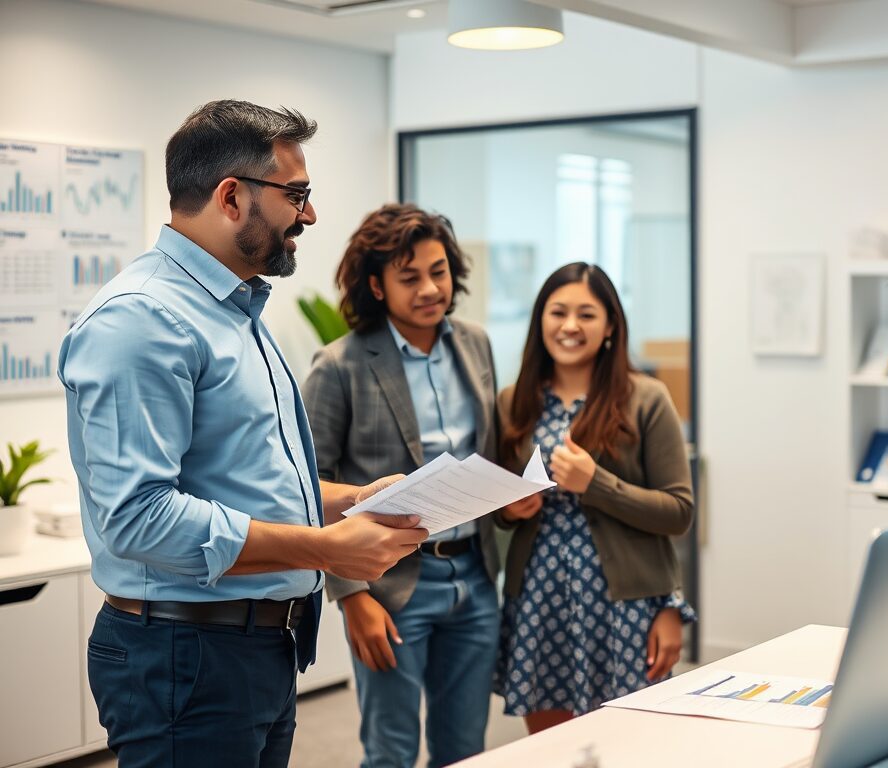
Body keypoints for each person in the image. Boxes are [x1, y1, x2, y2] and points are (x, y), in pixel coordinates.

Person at [58, 100, 428, 768]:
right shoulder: (142, 320)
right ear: (232, 196)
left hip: (255, 648)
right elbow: (138, 519)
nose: (309, 216)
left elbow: (245, 479)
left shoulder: (234, 310)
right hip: (185, 655)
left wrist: (351, 499)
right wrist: (325, 549)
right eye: (298, 195)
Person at [301, 203, 501, 767]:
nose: (430, 289)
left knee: (466, 750)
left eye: (438, 272)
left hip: (475, 577)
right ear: (376, 285)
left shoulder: (476, 344)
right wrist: (351, 598)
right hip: (389, 583)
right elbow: (308, 485)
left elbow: (487, 450)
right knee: (390, 751)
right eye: (409, 277)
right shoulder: (339, 364)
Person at [493, 262, 696, 734]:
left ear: (609, 327)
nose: (569, 326)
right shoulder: (513, 401)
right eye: (557, 311)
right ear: (540, 320)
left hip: (626, 604)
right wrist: (509, 509)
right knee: (548, 745)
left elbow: (679, 512)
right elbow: (497, 503)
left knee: (628, 742)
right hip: (539, 598)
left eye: (586, 314)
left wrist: (597, 484)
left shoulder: (646, 398)